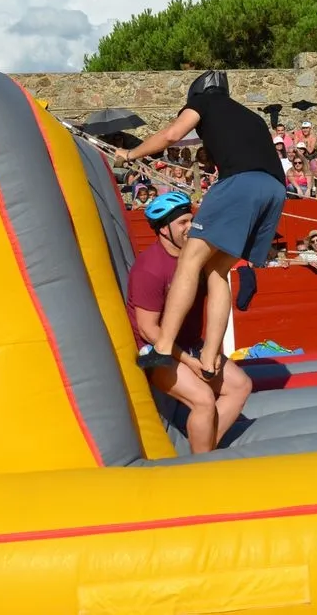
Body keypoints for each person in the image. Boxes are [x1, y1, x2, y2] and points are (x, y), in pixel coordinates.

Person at [115, 70, 287, 381]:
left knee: (189, 261)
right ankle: (209, 358)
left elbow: (172, 135)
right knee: (217, 270)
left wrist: (131, 154)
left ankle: (163, 347)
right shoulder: (252, 116)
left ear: (198, 93)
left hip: (240, 183)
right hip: (274, 190)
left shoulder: (205, 103)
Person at [126, 192, 252, 454]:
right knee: (204, 400)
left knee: (241, 386)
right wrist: (190, 361)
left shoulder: (200, 257)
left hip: (191, 345)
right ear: (164, 229)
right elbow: (148, 330)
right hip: (156, 353)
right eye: (182, 222)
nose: (190, 227)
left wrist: (211, 351)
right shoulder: (149, 268)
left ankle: (201, 451)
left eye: (191, 220)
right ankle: (201, 462)